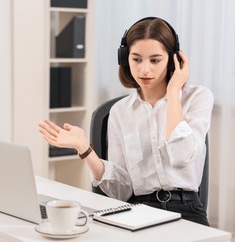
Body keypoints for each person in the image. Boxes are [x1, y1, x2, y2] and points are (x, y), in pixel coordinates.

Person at [38, 17, 213, 226]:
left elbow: (182, 156)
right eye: (136, 59)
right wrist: (84, 149)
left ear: (173, 60)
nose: (144, 70)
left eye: (155, 60)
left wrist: (173, 91)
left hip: (187, 210)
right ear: (125, 59)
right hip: (139, 210)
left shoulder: (198, 98)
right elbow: (122, 191)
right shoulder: (119, 112)